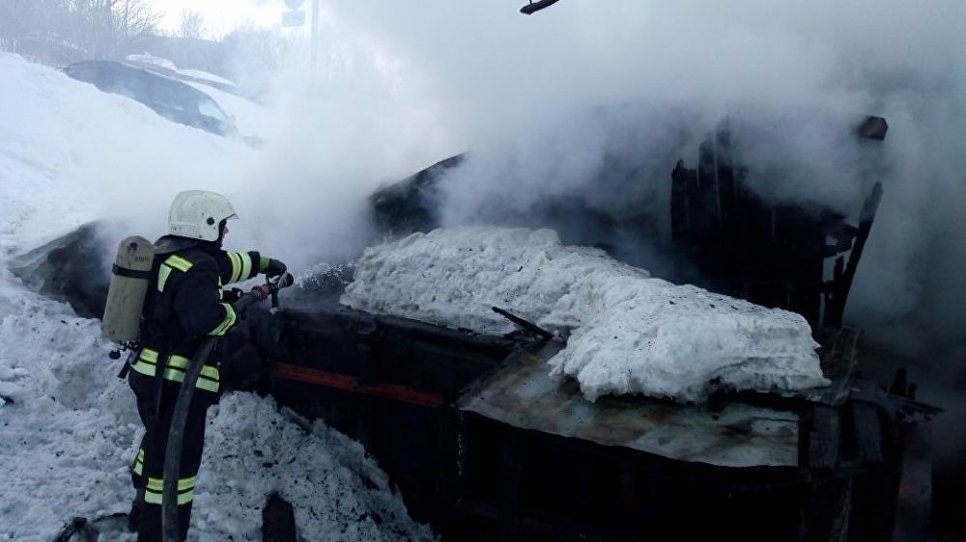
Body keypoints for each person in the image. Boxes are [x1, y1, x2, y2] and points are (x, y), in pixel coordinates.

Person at [125, 190, 287, 541]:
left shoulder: (169, 253)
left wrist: (263, 262)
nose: (225, 232)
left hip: (147, 373)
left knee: (157, 440)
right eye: (222, 225)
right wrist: (231, 309)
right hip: (175, 380)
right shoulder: (200, 266)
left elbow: (227, 266)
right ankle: (161, 532)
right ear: (206, 224)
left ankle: (139, 506)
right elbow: (204, 320)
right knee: (177, 469)